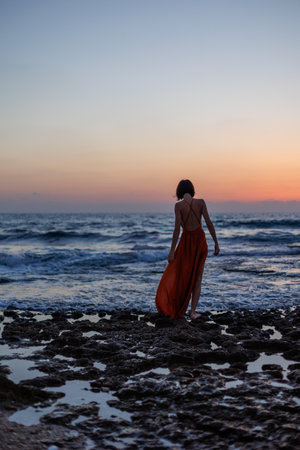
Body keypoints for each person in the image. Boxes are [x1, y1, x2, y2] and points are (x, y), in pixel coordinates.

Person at [155, 179, 219, 320]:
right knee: (198, 278)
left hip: (186, 243)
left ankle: (175, 306)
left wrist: (172, 251)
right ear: (192, 189)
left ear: (179, 191)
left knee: (182, 275)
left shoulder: (178, 206)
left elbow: (177, 229)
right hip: (200, 242)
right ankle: (193, 311)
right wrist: (216, 242)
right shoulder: (201, 202)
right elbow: (209, 223)